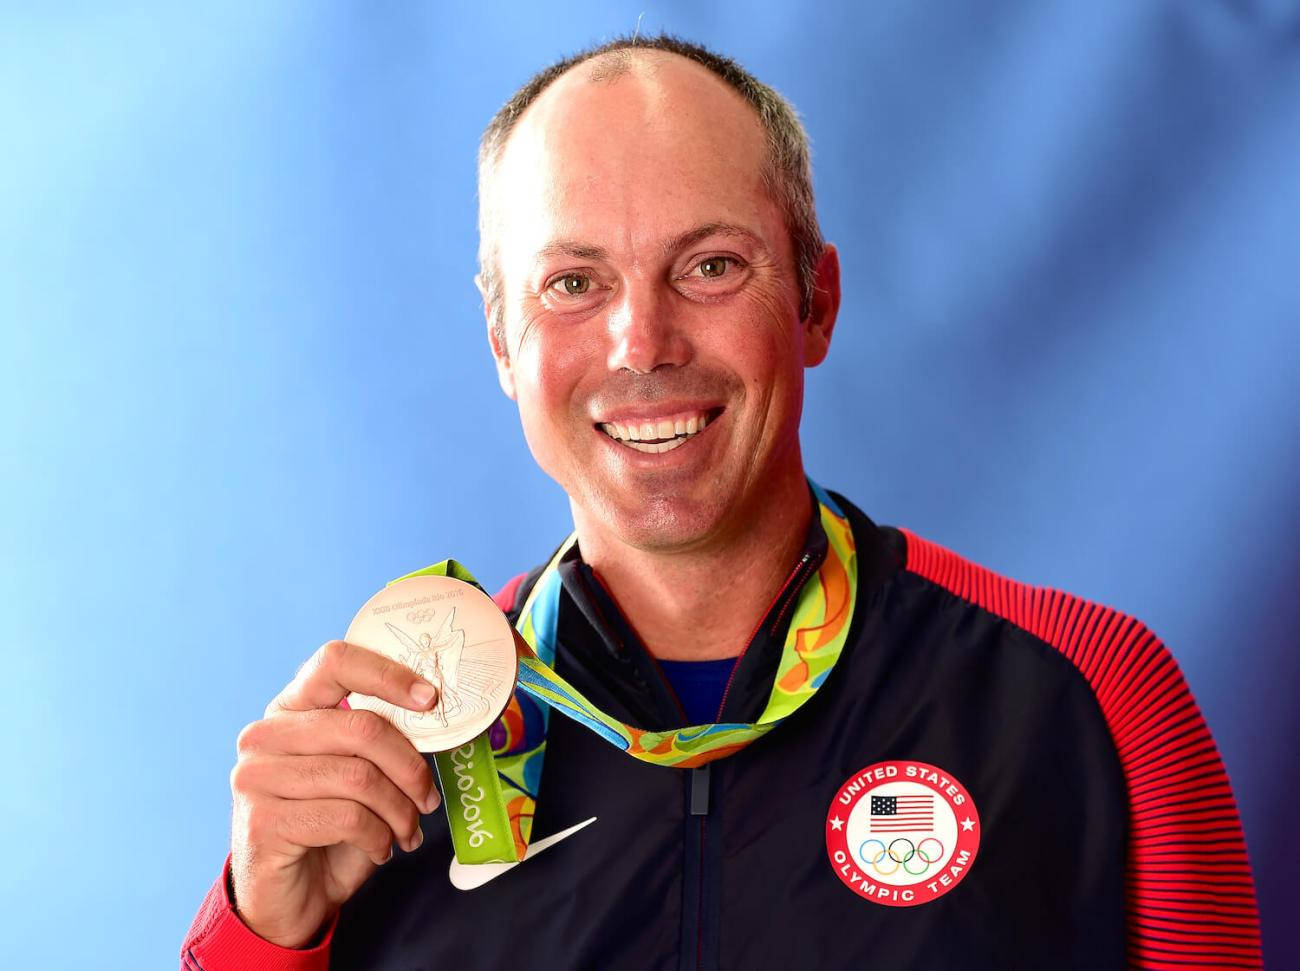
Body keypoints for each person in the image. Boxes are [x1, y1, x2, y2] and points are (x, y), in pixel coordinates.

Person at [181, 36, 1261, 970]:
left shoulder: (1091, 697)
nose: (641, 344)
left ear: (816, 302)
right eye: (573, 282)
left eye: (708, 265)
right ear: (501, 339)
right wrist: (265, 932)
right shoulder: (386, 757)